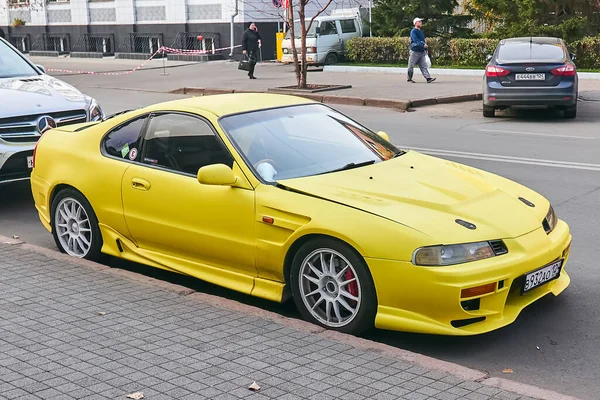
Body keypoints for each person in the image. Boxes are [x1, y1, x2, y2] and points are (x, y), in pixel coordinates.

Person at [407, 17, 436, 83]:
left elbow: (422, 40)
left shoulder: (421, 32)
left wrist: (425, 49)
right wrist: (423, 44)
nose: (421, 23)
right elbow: (415, 40)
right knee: (411, 65)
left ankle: (428, 78)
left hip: (421, 51)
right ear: (415, 23)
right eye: (419, 21)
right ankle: (409, 78)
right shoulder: (413, 31)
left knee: (423, 66)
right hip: (415, 51)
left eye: (421, 21)